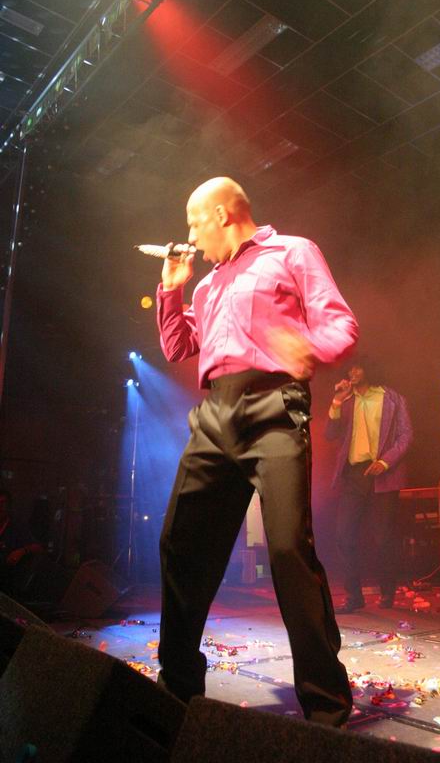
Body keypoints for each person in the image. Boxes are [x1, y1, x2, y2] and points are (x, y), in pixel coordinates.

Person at [155, 176, 358, 726]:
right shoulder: (206, 285)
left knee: (289, 549)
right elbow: (177, 346)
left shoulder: (292, 251)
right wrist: (172, 290)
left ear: (222, 214)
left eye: (194, 222)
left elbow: (340, 323)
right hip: (216, 414)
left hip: (274, 407)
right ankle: (177, 688)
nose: (190, 236)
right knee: (180, 543)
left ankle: (326, 703)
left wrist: (308, 348)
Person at [325, 358, 412, 612]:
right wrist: (337, 401)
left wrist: (385, 462)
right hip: (354, 474)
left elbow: (406, 435)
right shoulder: (346, 400)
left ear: (369, 369)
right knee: (344, 535)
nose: (352, 372)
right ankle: (354, 596)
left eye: (358, 367)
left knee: (383, 538)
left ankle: (387, 592)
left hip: (383, 473)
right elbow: (330, 434)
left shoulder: (392, 398)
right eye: (349, 368)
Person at [0, 488, 44, 597]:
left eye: (3, 503)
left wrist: (21, 551)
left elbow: (38, 547)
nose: (0, 507)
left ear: (8, 506)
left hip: (8, 582)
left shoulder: (17, 526)